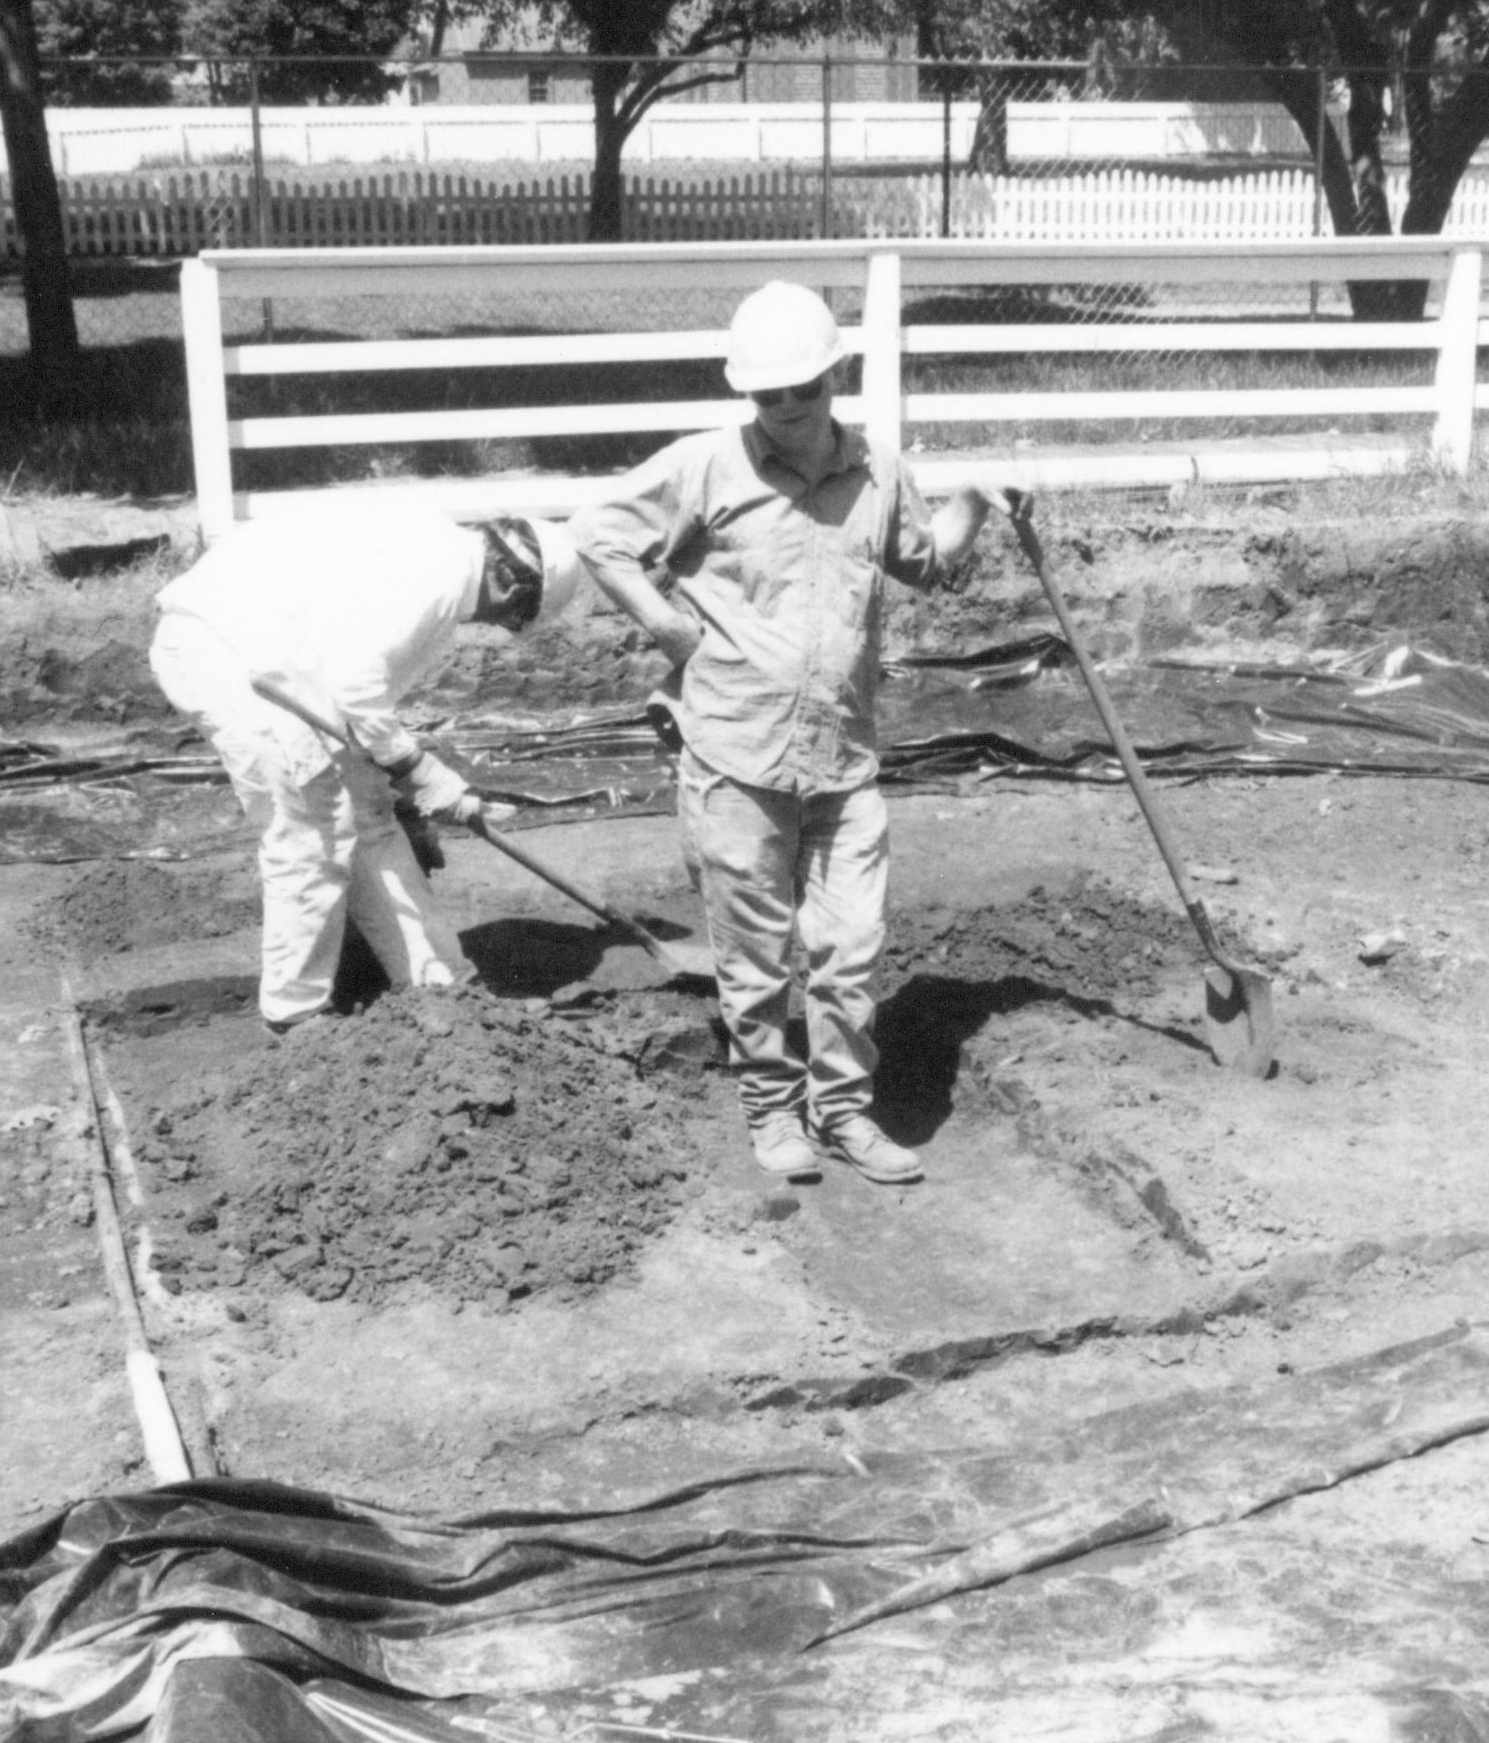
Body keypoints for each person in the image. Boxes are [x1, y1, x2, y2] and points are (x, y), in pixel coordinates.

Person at [570, 282, 1014, 1185]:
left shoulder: (878, 470)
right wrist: (663, 626)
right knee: (755, 951)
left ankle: (844, 1110)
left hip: (843, 757)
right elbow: (598, 535)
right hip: (736, 753)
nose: (781, 411)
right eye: (764, 397)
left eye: (799, 393)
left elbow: (923, 562)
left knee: (850, 948)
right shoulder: (706, 468)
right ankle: (772, 1111)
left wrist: (977, 499)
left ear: (834, 376)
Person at [148, 496, 586, 1033]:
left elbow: (349, 665)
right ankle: (294, 1011)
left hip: (284, 662)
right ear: (512, 584)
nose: (493, 625)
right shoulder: (440, 575)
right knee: (312, 832)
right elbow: (355, 680)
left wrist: (394, 774)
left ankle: (444, 985)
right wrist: (420, 770)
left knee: (373, 817)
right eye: (510, 619)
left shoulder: (433, 544)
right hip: (232, 658)